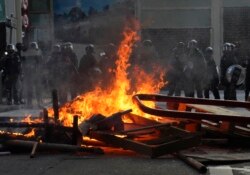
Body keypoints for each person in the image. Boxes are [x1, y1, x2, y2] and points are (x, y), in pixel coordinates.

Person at [23, 42, 43, 107]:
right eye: (32, 47)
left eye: (34, 47)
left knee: (38, 89)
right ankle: (29, 103)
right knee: (30, 89)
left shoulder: (39, 53)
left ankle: (39, 102)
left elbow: (41, 63)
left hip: (37, 74)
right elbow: (24, 63)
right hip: (30, 74)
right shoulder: (28, 54)